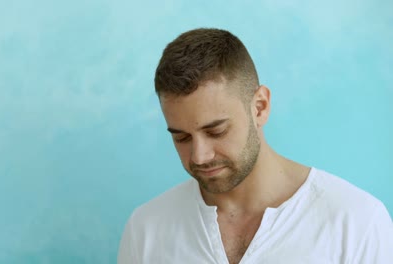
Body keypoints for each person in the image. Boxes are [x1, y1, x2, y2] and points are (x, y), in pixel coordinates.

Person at [117, 28, 392, 263]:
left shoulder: (358, 222)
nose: (199, 156)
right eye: (182, 138)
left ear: (260, 107)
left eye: (216, 131)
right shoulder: (146, 229)